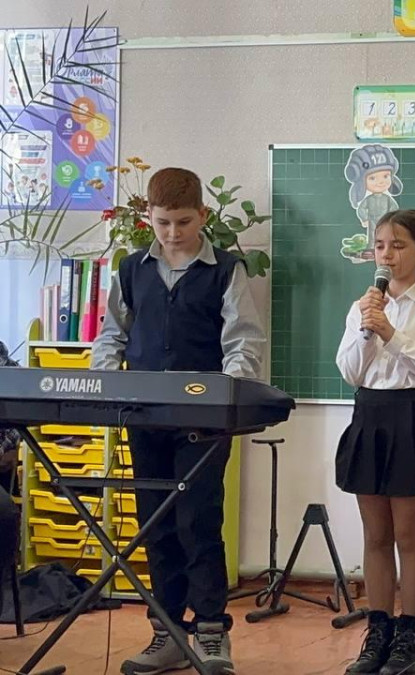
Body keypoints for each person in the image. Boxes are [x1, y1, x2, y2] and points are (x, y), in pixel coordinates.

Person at [92, 167, 266, 675]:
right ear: (148, 217)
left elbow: (243, 341)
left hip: (202, 423)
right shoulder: (131, 269)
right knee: (156, 525)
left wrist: (226, 394)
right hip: (145, 420)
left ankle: (211, 632)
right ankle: (166, 633)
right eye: (163, 222)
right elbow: (112, 335)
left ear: (203, 216)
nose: (173, 233)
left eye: (184, 222)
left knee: (198, 522)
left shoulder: (226, 270)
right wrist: (104, 382)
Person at [335, 210, 415, 675]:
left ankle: (411, 637)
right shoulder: (364, 305)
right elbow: (350, 371)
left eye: (399, 245)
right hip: (369, 412)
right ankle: (378, 633)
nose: (387, 254)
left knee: (408, 533)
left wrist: (393, 334)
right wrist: (369, 328)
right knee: (375, 535)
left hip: (413, 414)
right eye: (381, 245)